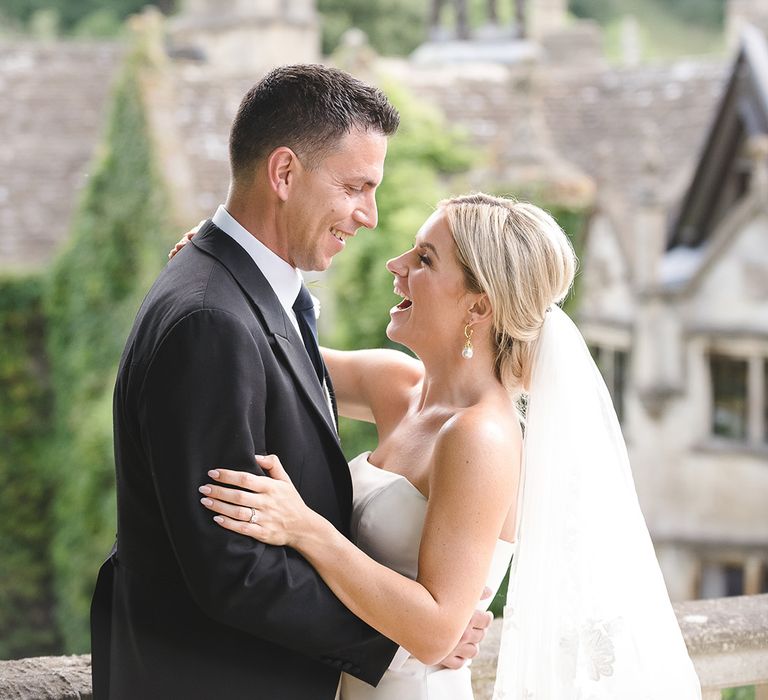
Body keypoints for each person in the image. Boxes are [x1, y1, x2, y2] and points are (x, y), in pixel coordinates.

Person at [192, 193, 704, 699]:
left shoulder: (481, 436)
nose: (397, 265)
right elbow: (266, 347)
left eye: (424, 260)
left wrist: (305, 528)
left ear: (478, 305)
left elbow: (436, 631)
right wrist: (229, 270)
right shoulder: (396, 384)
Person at [90, 64, 489, 700]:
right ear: (283, 174)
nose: (368, 216)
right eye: (357, 186)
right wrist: (402, 647)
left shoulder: (248, 296)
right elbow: (232, 569)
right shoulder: (210, 317)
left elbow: (282, 370)